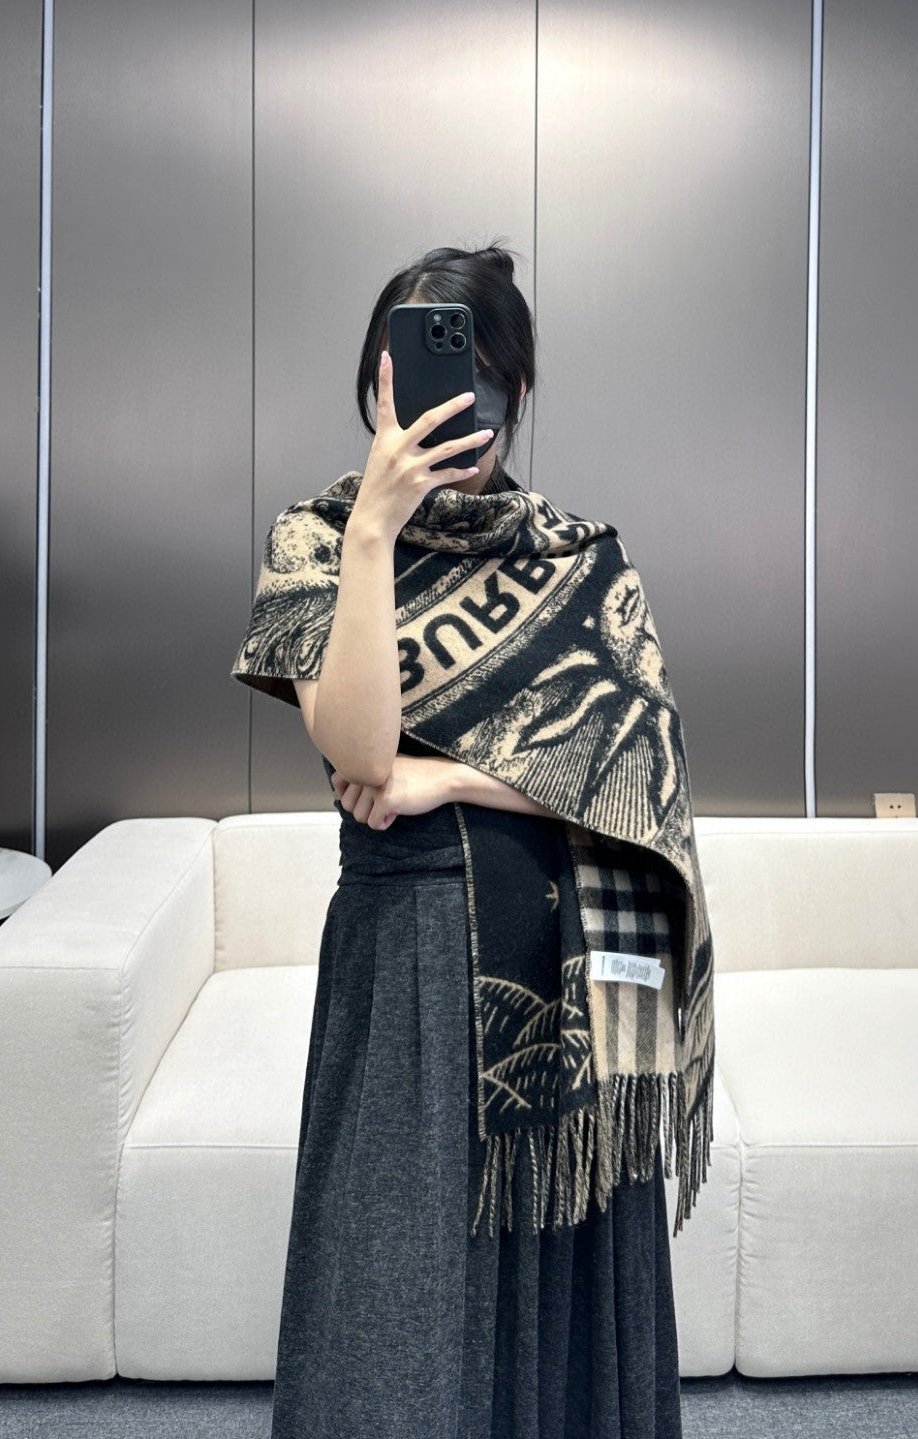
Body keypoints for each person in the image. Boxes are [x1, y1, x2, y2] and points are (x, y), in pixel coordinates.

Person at [232, 243, 691, 1439]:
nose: (459, 399)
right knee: (389, 1296)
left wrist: (446, 778)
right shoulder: (317, 538)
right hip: (404, 953)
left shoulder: (580, 558)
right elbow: (358, 750)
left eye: (485, 371)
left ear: (519, 389)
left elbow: (636, 774)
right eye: (429, 370)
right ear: (378, 383)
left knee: (557, 1301)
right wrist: (375, 533)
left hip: (565, 960)